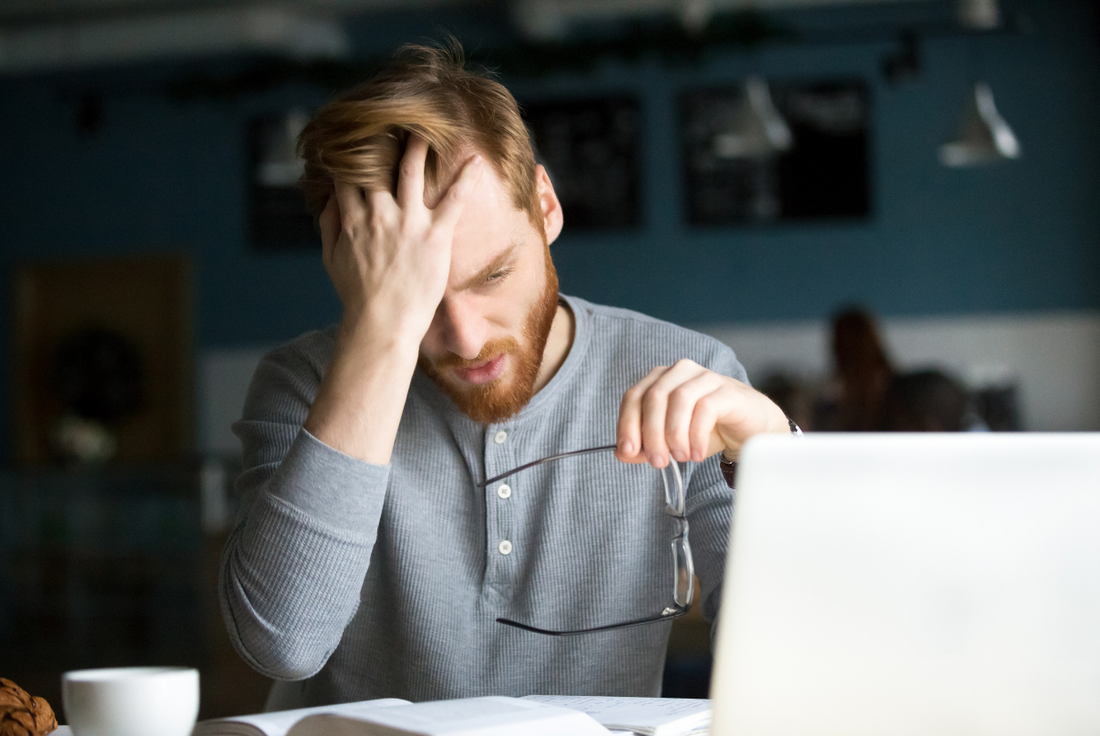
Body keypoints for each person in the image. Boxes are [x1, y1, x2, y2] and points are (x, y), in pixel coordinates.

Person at [220, 42, 793, 708]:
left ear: (545, 206)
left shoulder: (690, 372)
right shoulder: (303, 382)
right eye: (420, 297)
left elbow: (804, 664)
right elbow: (282, 643)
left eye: (492, 275)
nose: (465, 338)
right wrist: (381, 333)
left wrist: (772, 456)